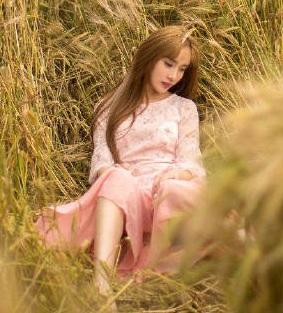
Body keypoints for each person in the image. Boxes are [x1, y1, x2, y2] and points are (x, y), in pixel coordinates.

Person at [35, 25, 206, 293]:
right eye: (168, 64)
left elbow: (191, 162)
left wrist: (176, 175)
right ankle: (101, 288)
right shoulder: (109, 106)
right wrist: (112, 171)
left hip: (168, 194)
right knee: (115, 176)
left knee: (172, 190)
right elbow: (101, 156)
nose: (174, 75)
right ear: (149, 58)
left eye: (182, 68)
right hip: (130, 194)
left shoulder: (184, 108)